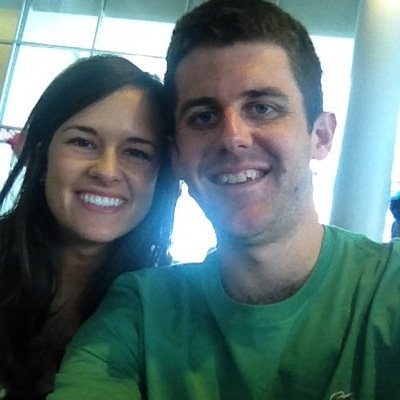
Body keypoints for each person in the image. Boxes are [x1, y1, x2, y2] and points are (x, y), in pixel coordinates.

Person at [49, 1, 400, 399]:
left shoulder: (388, 289)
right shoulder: (140, 311)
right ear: (176, 156)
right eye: (203, 116)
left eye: (262, 108)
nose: (232, 138)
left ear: (320, 136)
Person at [0, 54, 178, 399]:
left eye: (136, 152)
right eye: (83, 142)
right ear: (42, 155)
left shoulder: (164, 310)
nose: (107, 172)